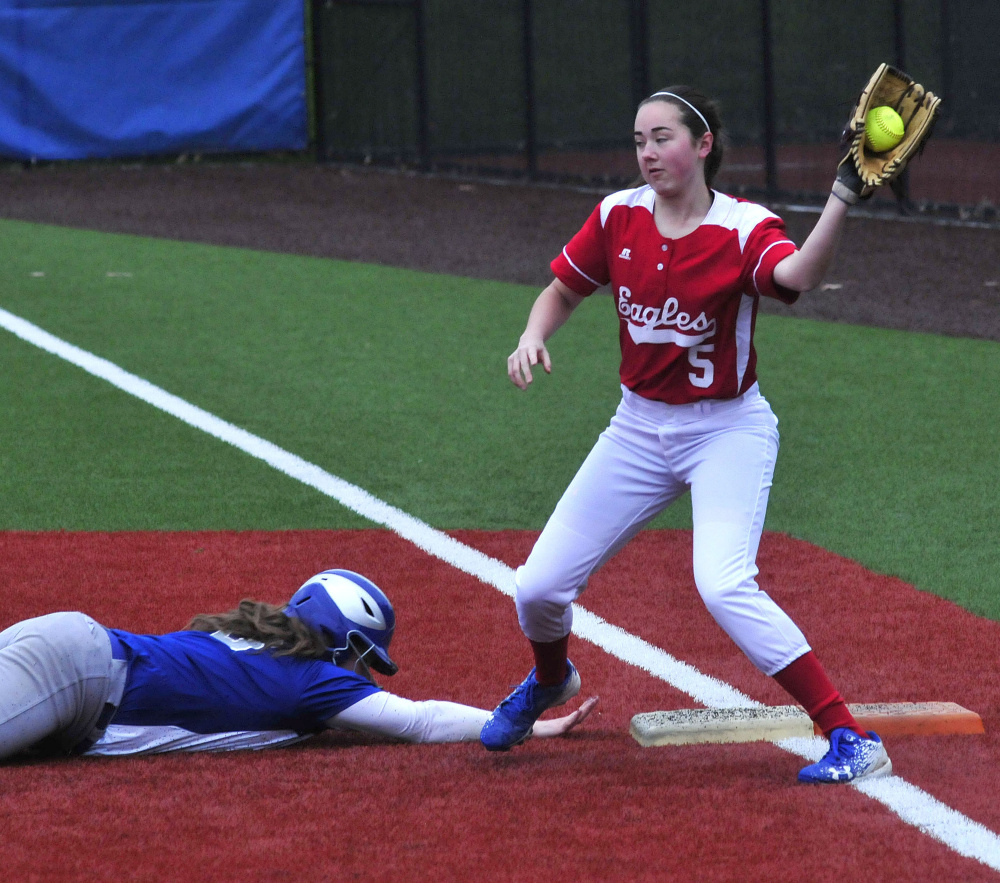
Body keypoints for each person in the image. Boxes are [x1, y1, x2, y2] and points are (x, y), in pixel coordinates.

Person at [480, 85, 892, 785]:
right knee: (538, 588)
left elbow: (796, 276)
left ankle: (851, 736)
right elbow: (564, 289)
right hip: (637, 428)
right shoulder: (618, 216)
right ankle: (551, 679)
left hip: (725, 429)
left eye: (663, 136)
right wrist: (531, 333)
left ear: (703, 145)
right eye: (639, 139)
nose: (648, 152)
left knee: (723, 583)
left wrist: (840, 199)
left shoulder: (741, 227)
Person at [0, 568, 597, 760]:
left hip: (70, 656)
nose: (362, 672)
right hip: (74, 678)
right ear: (339, 636)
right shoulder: (315, 680)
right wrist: (530, 721)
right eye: (362, 653)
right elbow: (419, 721)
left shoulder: (246, 638)